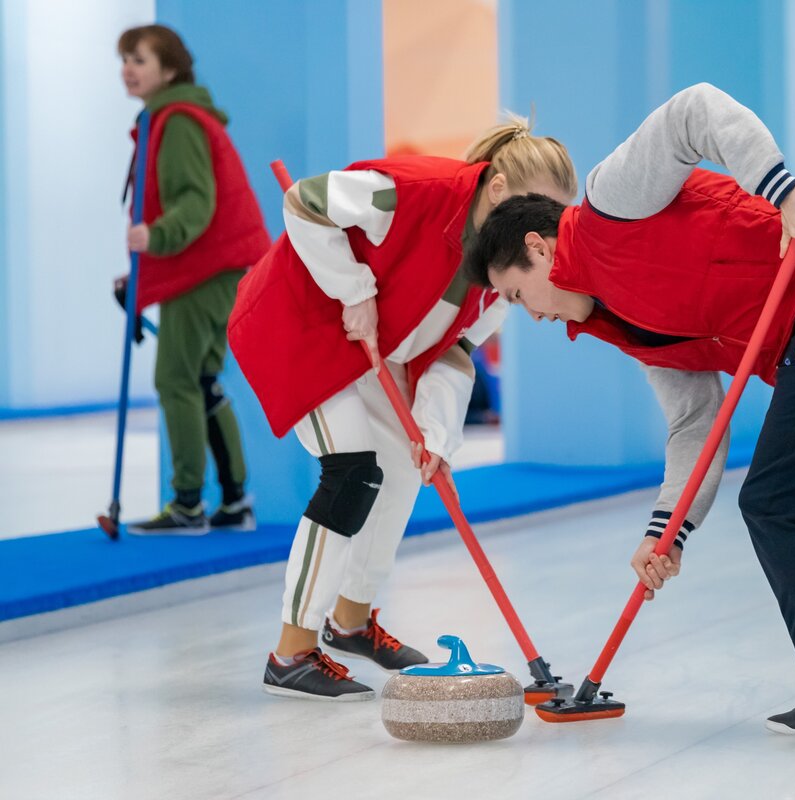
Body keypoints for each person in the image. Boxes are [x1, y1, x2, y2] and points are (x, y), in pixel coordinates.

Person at [465, 83, 795, 735]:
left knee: (778, 504)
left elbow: (695, 111)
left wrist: (782, 190)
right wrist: (668, 531)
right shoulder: (624, 325)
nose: (532, 316)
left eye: (518, 297)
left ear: (539, 249)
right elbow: (694, 426)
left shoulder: (609, 207)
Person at [228, 119, 577, 701]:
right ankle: (290, 654)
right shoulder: (413, 191)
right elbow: (306, 202)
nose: (539, 229)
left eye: (551, 217)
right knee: (352, 471)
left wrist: (435, 434)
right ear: (495, 188)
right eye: (534, 206)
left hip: (371, 348)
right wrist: (355, 289)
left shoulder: (498, 274)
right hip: (298, 323)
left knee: (401, 466)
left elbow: (456, 351)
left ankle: (352, 621)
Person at [117, 25, 267, 534]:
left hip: (202, 269)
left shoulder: (177, 121)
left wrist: (154, 238)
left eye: (139, 59)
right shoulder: (174, 117)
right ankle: (234, 500)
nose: (128, 69)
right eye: (126, 59)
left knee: (175, 380)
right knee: (201, 381)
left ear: (171, 70)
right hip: (216, 266)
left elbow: (193, 204)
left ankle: (187, 504)